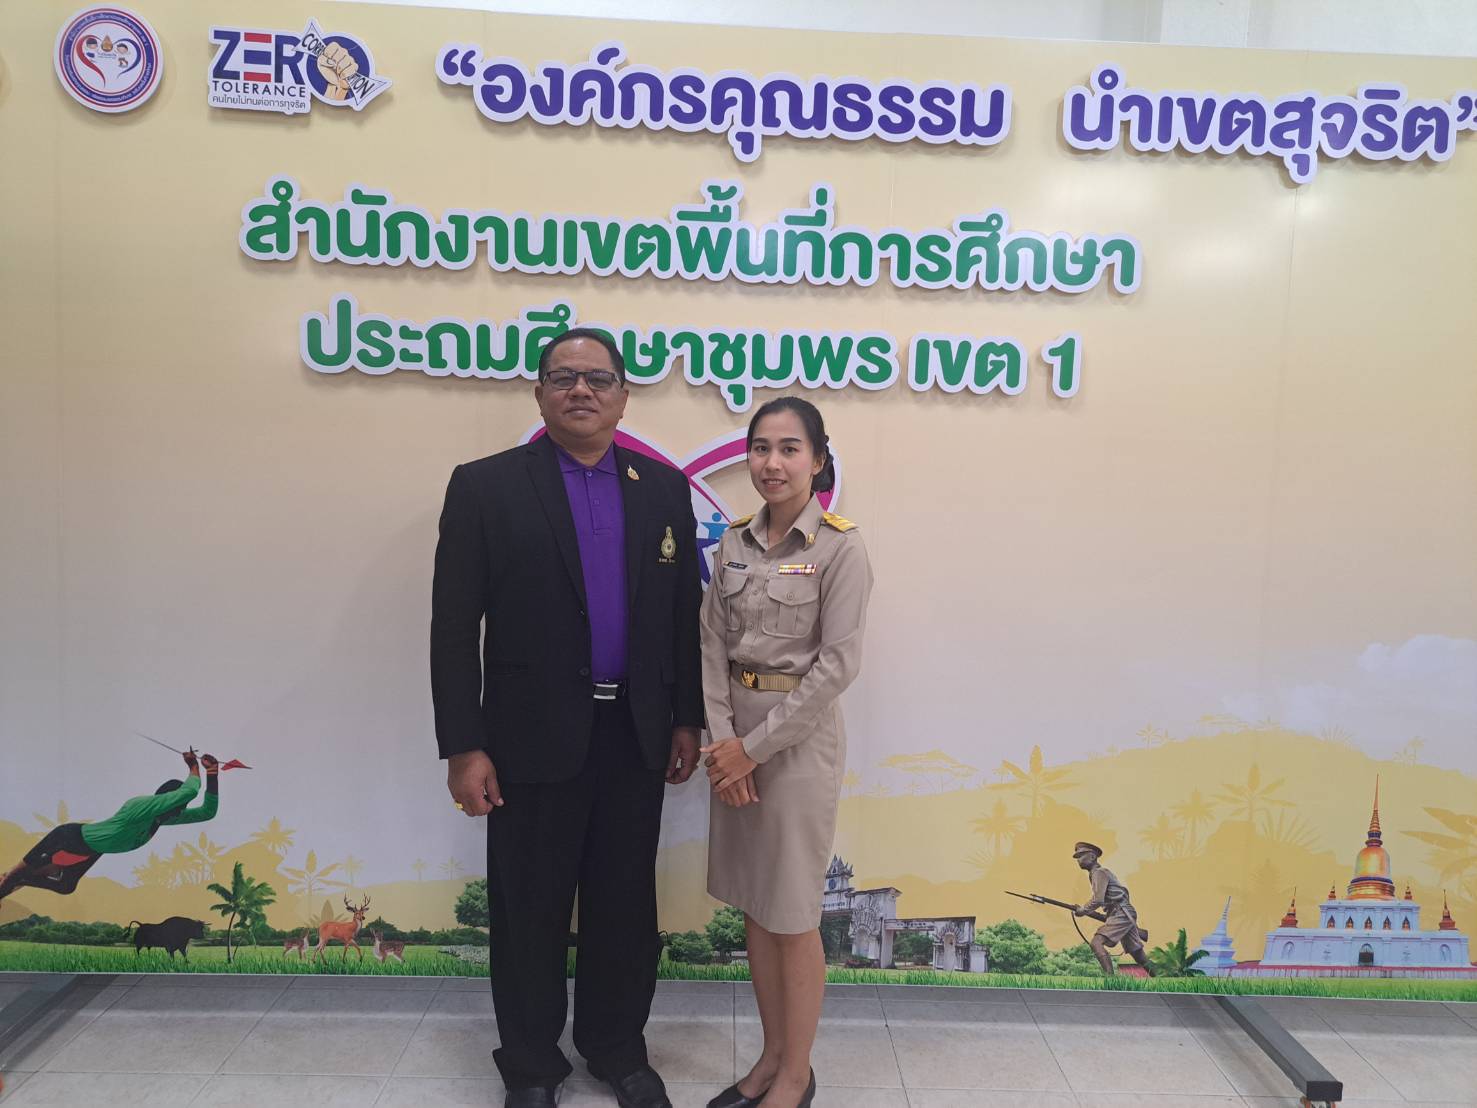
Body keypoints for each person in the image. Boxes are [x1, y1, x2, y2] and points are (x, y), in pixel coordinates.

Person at [430, 327, 703, 1108]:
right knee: (529, 909)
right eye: (563, 377)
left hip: (635, 735)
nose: (581, 389)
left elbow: (680, 616)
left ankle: (617, 1049)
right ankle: (530, 1066)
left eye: (598, 378)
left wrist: (686, 719)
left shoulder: (663, 489)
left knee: (625, 906)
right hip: (526, 740)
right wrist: (464, 745)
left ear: (622, 396)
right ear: (539, 393)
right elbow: (454, 627)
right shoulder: (484, 487)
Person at [698, 397, 873, 1108]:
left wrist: (754, 749)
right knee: (755, 902)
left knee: (793, 913)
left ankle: (796, 1075)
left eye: (790, 449)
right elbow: (711, 645)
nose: (772, 463)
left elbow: (836, 667)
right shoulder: (733, 543)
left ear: (818, 460)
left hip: (797, 746)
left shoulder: (840, 548)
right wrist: (723, 744)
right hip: (734, 739)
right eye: (761, 448)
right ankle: (770, 1056)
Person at [0, 751, 221, 905]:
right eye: (178, 806)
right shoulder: (142, 807)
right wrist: (193, 766)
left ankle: (22, 879)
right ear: (165, 800)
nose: (180, 811)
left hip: (91, 850)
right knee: (11, 877)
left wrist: (212, 774)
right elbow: (189, 792)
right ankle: (14, 878)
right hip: (69, 837)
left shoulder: (162, 819)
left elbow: (207, 812)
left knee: (66, 886)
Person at [1071, 841, 1153, 975]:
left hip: (1121, 912)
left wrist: (1083, 910)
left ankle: (1110, 979)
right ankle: (1164, 976)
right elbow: (1107, 899)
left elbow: (1098, 900)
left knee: (1096, 943)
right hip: (1120, 912)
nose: (1078, 860)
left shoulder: (1099, 873)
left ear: (1092, 856)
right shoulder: (1097, 873)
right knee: (1138, 955)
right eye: (1077, 857)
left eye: (1081, 855)